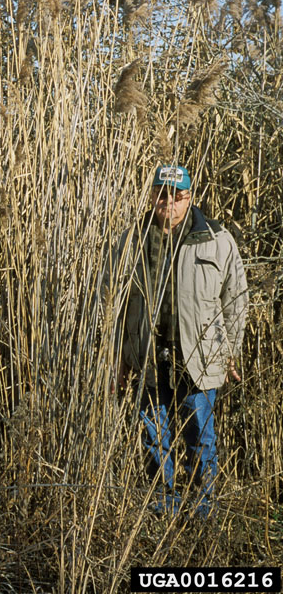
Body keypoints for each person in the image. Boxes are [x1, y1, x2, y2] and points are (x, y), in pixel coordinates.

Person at [106, 165, 249, 517]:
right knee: (154, 437)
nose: (167, 202)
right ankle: (161, 509)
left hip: (198, 353)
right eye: (160, 194)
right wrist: (118, 357)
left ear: (189, 197)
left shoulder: (216, 239)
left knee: (200, 435)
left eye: (177, 196)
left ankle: (203, 510)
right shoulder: (132, 239)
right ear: (151, 194)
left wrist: (230, 350)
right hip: (148, 354)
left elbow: (236, 297)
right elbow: (113, 301)